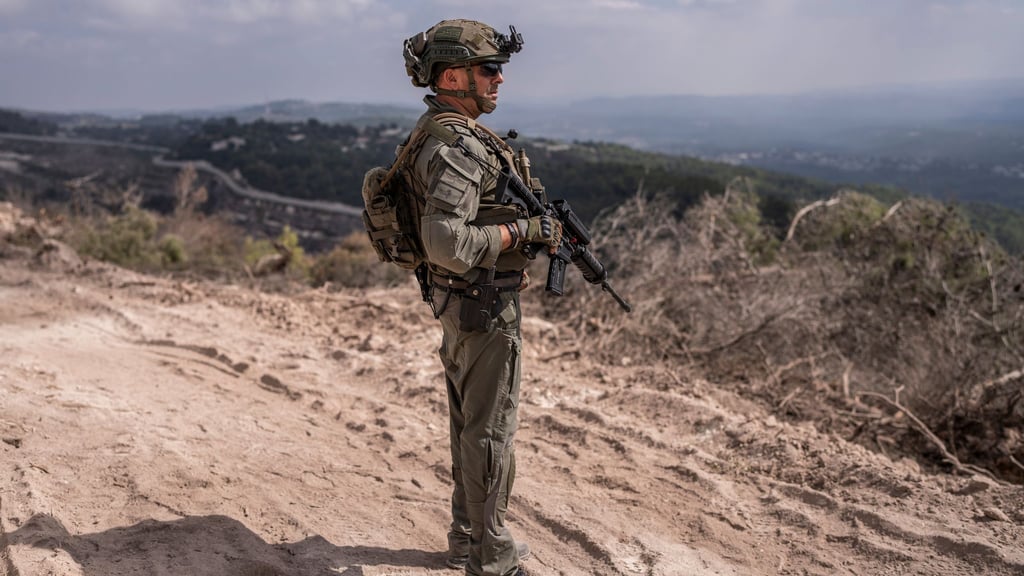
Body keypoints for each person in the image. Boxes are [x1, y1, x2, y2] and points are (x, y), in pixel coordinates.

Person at [399, 18, 562, 576]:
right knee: (491, 432)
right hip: (483, 306)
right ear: (451, 75)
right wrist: (524, 234)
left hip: (463, 303)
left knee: (472, 426)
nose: (499, 80)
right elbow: (444, 242)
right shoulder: (456, 146)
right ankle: (492, 558)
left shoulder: (444, 131)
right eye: (489, 69)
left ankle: (469, 541)